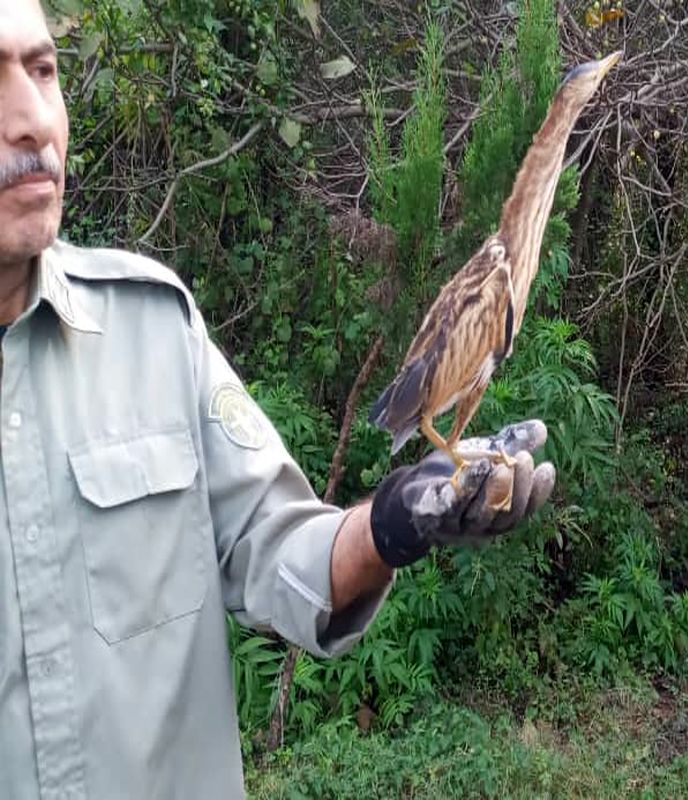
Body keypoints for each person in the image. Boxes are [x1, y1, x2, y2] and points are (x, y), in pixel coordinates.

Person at [0, 1, 556, 797]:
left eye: (44, 70)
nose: (31, 120)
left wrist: (396, 520)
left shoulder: (155, 330)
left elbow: (274, 543)